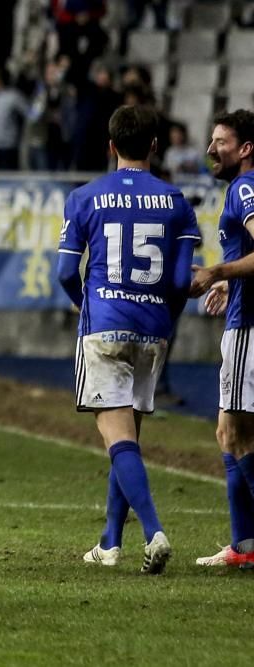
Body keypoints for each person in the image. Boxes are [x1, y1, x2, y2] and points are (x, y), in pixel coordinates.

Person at [56, 105, 200, 574]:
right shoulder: (177, 202)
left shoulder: (84, 197)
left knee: (118, 439)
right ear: (155, 146)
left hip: (106, 324)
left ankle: (154, 531)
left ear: (111, 146)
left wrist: (85, 304)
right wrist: (167, 319)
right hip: (153, 329)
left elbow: (64, 272)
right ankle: (110, 542)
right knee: (129, 436)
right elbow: (180, 283)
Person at [189, 110, 254, 568]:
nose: (212, 150)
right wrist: (231, 281)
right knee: (226, 432)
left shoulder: (245, 188)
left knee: (237, 436)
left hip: (248, 327)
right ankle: (243, 547)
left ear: (246, 148)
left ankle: (245, 547)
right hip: (242, 313)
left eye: (221, 141)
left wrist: (216, 270)